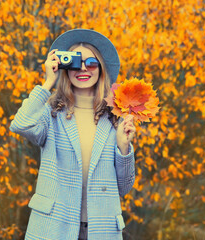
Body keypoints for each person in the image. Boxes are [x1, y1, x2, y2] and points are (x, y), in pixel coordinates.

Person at [10, 29, 136, 240]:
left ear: (101, 69)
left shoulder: (115, 117)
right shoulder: (51, 114)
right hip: (53, 227)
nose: (84, 68)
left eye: (92, 63)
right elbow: (20, 124)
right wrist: (48, 82)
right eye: (75, 63)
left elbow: (124, 187)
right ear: (64, 68)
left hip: (102, 229)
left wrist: (124, 148)